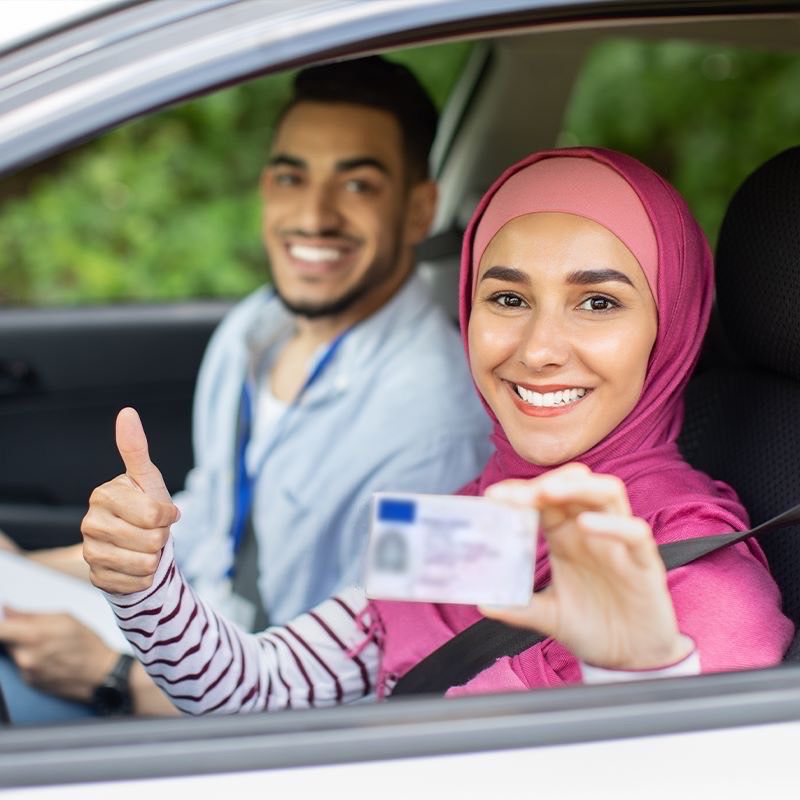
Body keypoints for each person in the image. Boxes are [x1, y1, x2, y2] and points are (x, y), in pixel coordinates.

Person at [80, 146, 792, 711]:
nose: (539, 349)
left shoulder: (707, 585)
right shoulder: (471, 517)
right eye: (508, 297)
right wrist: (145, 585)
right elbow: (259, 688)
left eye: (598, 302)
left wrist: (634, 675)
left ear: (669, 327)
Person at [0, 56, 492, 722]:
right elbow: (214, 518)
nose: (313, 216)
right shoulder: (253, 329)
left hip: (246, 727)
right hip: (184, 645)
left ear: (417, 210)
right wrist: (37, 566)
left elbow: (382, 675)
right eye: (292, 177)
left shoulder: (443, 423)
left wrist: (111, 678)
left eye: (357, 186)